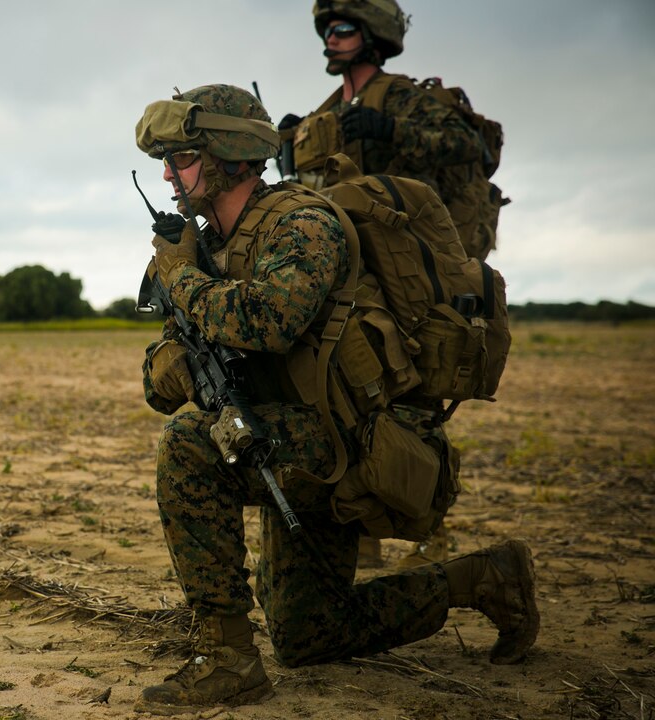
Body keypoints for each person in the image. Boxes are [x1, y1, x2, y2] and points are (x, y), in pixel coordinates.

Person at [134, 83, 539, 715]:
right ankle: (484, 579)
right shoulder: (206, 244)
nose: (167, 173)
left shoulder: (305, 223)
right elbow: (163, 372)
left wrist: (180, 276)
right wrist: (175, 365)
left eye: (181, 157)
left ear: (227, 156)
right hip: (291, 439)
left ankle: (227, 660)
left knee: (189, 448)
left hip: (352, 444)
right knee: (307, 634)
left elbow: (267, 319)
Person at [285, 0, 488, 567]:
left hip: (408, 273)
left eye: (343, 28)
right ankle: (361, 534)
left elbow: (468, 146)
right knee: (348, 396)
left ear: (372, 36)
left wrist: (391, 129)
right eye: (327, 29)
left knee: (415, 398)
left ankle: (433, 530)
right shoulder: (328, 107)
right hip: (355, 274)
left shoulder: (399, 95)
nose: (332, 37)